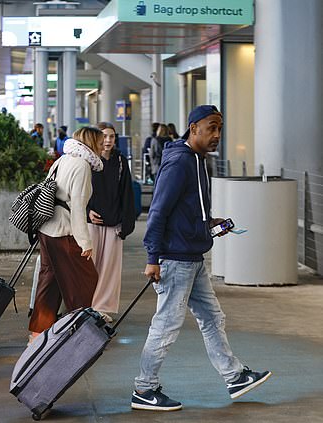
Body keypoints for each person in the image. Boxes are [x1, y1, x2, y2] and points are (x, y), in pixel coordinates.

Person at [132, 105, 271, 411]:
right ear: (194, 128)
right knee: (166, 325)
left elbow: (187, 208)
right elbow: (158, 210)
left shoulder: (197, 160)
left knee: (211, 318)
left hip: (192, 256)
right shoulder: (180, 162)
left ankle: (235, 376)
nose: (217, 135)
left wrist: (207, 224)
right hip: (175, 259)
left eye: (220, 128)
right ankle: (144, 388)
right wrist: (152, 256)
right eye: (211, 128)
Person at [28, 127, 103, 339]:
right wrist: (85, 242)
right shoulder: (82, 166)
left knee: (49, 280)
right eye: (100, 141)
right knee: (86, 279)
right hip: (63, 231)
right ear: (92, 143)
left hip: (47, 228)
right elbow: (78, 207)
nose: (103, 145)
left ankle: (38, 333)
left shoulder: (63, 160)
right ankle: (77, 328)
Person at [87, 122, 135, 323]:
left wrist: (126, 223)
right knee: (88, 267)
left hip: (114, 223)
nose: (108, 140)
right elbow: (79, 190)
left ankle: (101, 308)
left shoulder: (121, 162)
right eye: (104, 136)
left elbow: (127, 193)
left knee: (109, 270)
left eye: (112, 137)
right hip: (92, 223)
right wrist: (87, 211)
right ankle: (85, 306)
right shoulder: (89, 161)